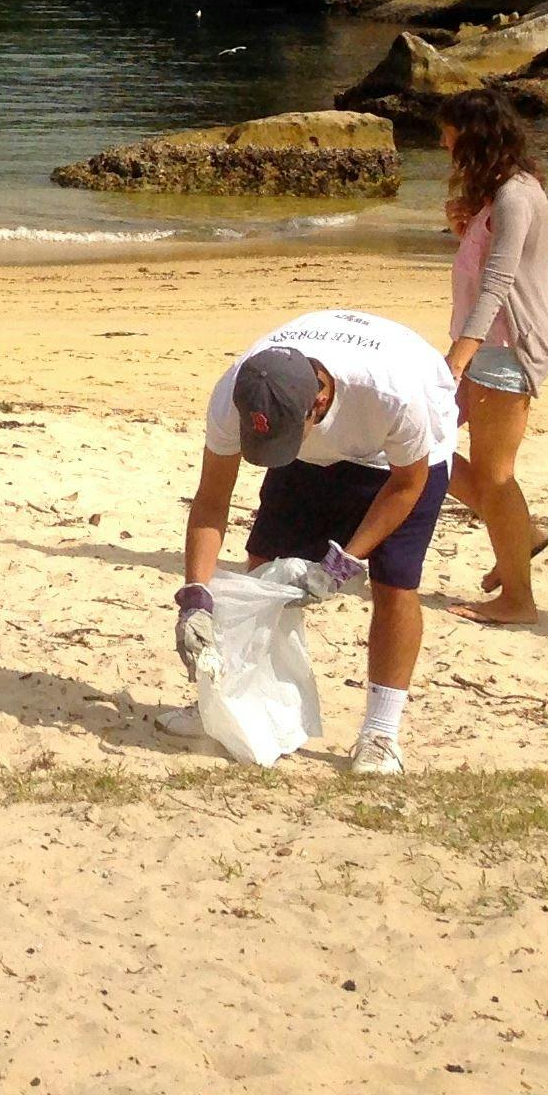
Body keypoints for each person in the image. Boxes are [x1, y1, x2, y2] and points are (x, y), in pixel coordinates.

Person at [177, 309, 457, 775]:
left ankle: (381, 735)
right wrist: (194, 596)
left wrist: (344, 562)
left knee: (394, 585)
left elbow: (408, 486)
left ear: (319, 401)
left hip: (397, 462)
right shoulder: (236, 393)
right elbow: (211, 500)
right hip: (314, 454)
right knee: (264, 568)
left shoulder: (393, 392)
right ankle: (232, 703)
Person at [436, 86, 548, 626]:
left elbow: (500, 281)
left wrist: (461, 351)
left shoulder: (514, 195)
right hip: (488, 346)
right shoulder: (500, 194)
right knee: (430, 448)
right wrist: (468, 227)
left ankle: (518, 599)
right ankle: (522, 534)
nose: (442, 141)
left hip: (505, 350)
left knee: (495, 477)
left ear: (472, 136)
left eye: (448, 131)